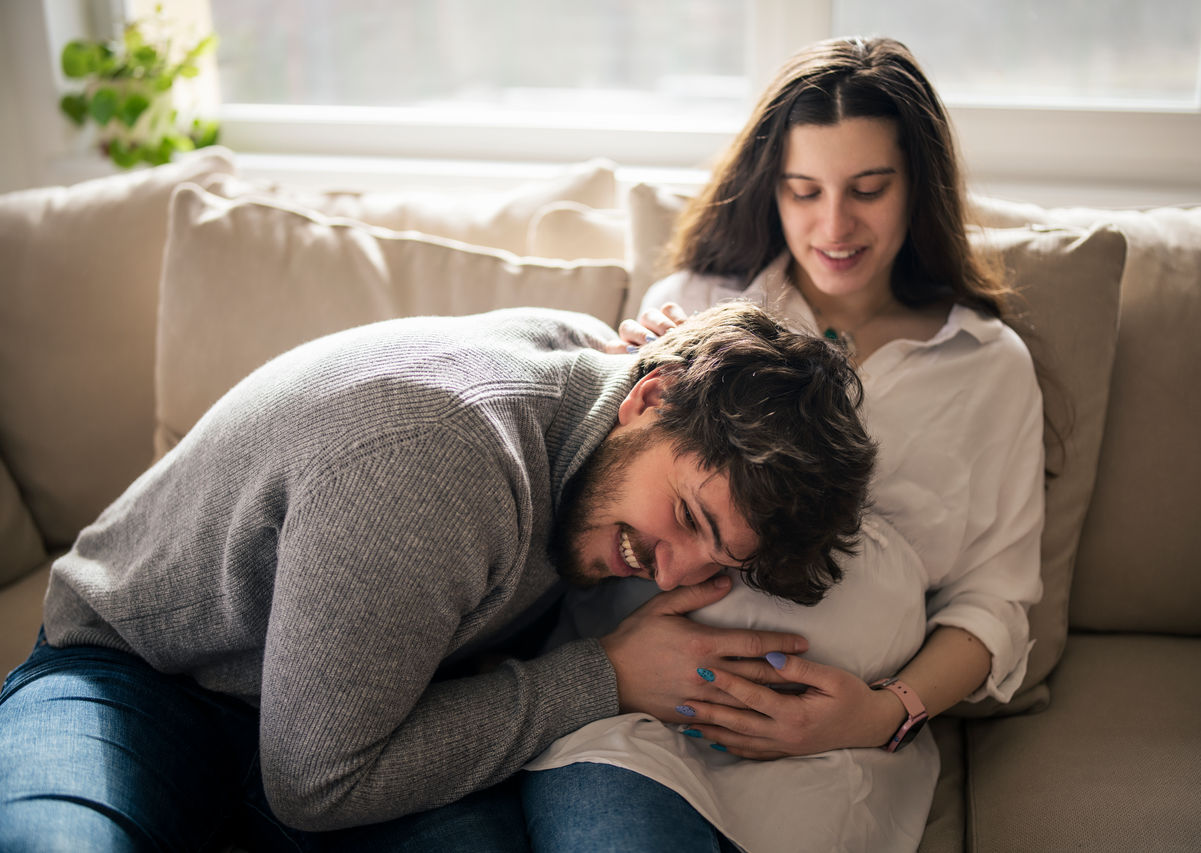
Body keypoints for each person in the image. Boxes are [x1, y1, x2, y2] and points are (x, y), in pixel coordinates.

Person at [0, 301, 876, 851]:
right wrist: (606, 675)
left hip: (377, 715)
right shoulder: (443, 460)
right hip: (137, 676)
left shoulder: (601, 375)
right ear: (649, 399)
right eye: (688, 516)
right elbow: (317, 782)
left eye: (718, 560)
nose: (671, 571)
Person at [520, 35, 1046, 852]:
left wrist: (884, 711)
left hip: (835, 751)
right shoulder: (694, 308)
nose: (833, 225)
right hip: (638, 727)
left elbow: (997, 600)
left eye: (868, 189)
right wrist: (619, 375)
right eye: (804, 191)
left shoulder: (987, 367)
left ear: (918, 188)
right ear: (772, 189)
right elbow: (595, 472)